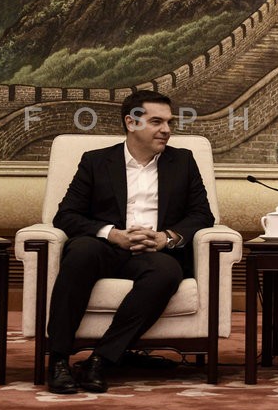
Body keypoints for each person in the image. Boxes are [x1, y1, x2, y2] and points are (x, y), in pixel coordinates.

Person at [46, 90, 214, 394]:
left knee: (167, 272)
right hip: (105, 247)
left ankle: (100, 360)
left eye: (169, 122)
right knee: (80, 252)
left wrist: (165, 238)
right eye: (157, 122)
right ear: (131, 122)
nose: (166, 130)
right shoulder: (96, 161)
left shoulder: (182, 162)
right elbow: (66, 216)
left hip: (153, 252)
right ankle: (58, 360)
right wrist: (113, 234)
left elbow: (202, 215)